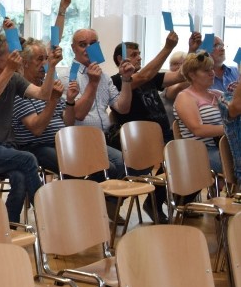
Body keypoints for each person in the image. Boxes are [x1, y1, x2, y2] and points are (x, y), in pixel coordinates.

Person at [0, 24, 62, 223]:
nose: (16, 58)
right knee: (27, 160)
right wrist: (9, 71)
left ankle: (10, 223)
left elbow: (43, 94)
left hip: (5, 147)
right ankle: (48, 217)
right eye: (11, 55)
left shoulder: (14, 78)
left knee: (19, 176)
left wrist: (51, 66)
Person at [67, 28, 135, 179]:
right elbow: (78, 114)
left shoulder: (104, 76)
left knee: (134, 163)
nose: (88, 49)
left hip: (104, 139)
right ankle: (96, 199)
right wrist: (92, 83)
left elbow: (123, 108)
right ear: (73, 48)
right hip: (79, 141)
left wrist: (126, 80)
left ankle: (107, 202)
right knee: (116, 167)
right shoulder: (69, 74)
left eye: (92, 44)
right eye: (82, 45)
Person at [108, 32, 186, 146]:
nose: (139, 58)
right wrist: (168, 48)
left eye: (139, 54)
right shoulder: (115, 81)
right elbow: (143, 76)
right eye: (134, 55)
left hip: (164, 134)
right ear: (120, 59)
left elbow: (180, 76)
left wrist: (193, 51)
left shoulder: (150, 76)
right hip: (139, 139)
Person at [11, 39, 75, 174]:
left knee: (107, 166)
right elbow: (37, 129)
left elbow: (68, 123)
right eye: (39, 59)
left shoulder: (49, 86)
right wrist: (53, 100)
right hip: (35, 147)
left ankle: (95, 194)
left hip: (61, 142)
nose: (45, 64)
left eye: (46, 59)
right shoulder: (19, 90)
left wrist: (70, 100)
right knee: (75, 167)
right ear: (25, 63)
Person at [174, 51, 224, 173]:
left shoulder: (218, 94)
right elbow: (198, 129)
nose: (212, 73)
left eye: (212, 69)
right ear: (192, 75)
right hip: (199, 151)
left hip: (222, 146)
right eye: (206, 71)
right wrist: (229, 129)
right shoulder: (185, 97)